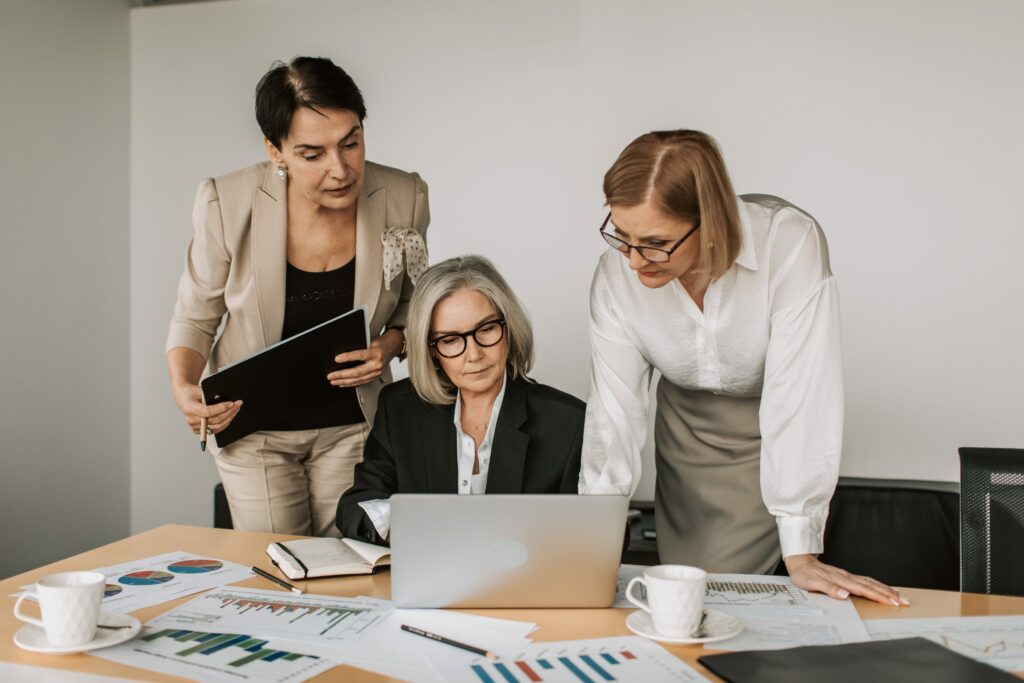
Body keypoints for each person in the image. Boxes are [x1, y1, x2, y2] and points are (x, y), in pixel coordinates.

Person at [580, 129, 906, 606]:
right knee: (691, 592)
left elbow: (800, 394)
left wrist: (802, 548)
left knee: (744, 598)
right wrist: (593, 542)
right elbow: (615, 412)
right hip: (687, 433)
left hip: (773, 424)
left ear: (708, 221)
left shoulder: (788, 243)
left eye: (655, 242)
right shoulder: (614, 277)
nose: (633, 261)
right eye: (621, 236)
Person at [165, 57, 429, 537]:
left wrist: (388, 348)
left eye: (351, 143)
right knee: (280, 570)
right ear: (276, 150)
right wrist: (186, 388)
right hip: (253, 430)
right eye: (312, 154)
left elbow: (416, 308)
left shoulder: (404, 194)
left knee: (353, 567)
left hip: (355, 424)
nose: (341, 169)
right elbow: (195, 316)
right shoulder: (225, 202)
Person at [338, 255, 584, 544]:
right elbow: (356, 505)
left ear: (509, 328)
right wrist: (399, 525)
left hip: (524, 583)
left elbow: (602, 532)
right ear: (431, 349)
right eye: (451, 340)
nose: (474, 354)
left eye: (486, 329)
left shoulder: (569, 422)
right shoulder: (400, 407)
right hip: (426, 582)